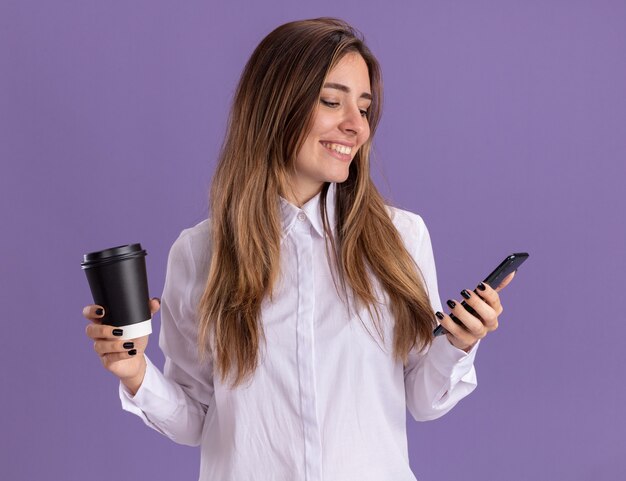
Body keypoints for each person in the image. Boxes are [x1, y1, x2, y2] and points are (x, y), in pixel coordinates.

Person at [83, 17, 514, 481]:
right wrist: (135, 374)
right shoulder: (199, 252)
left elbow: (424, 401)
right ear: (275, 106)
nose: (357, 127)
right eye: (332, 102)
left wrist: (458, 344)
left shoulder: (401, 238)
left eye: (365, 110)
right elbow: (197, 421)